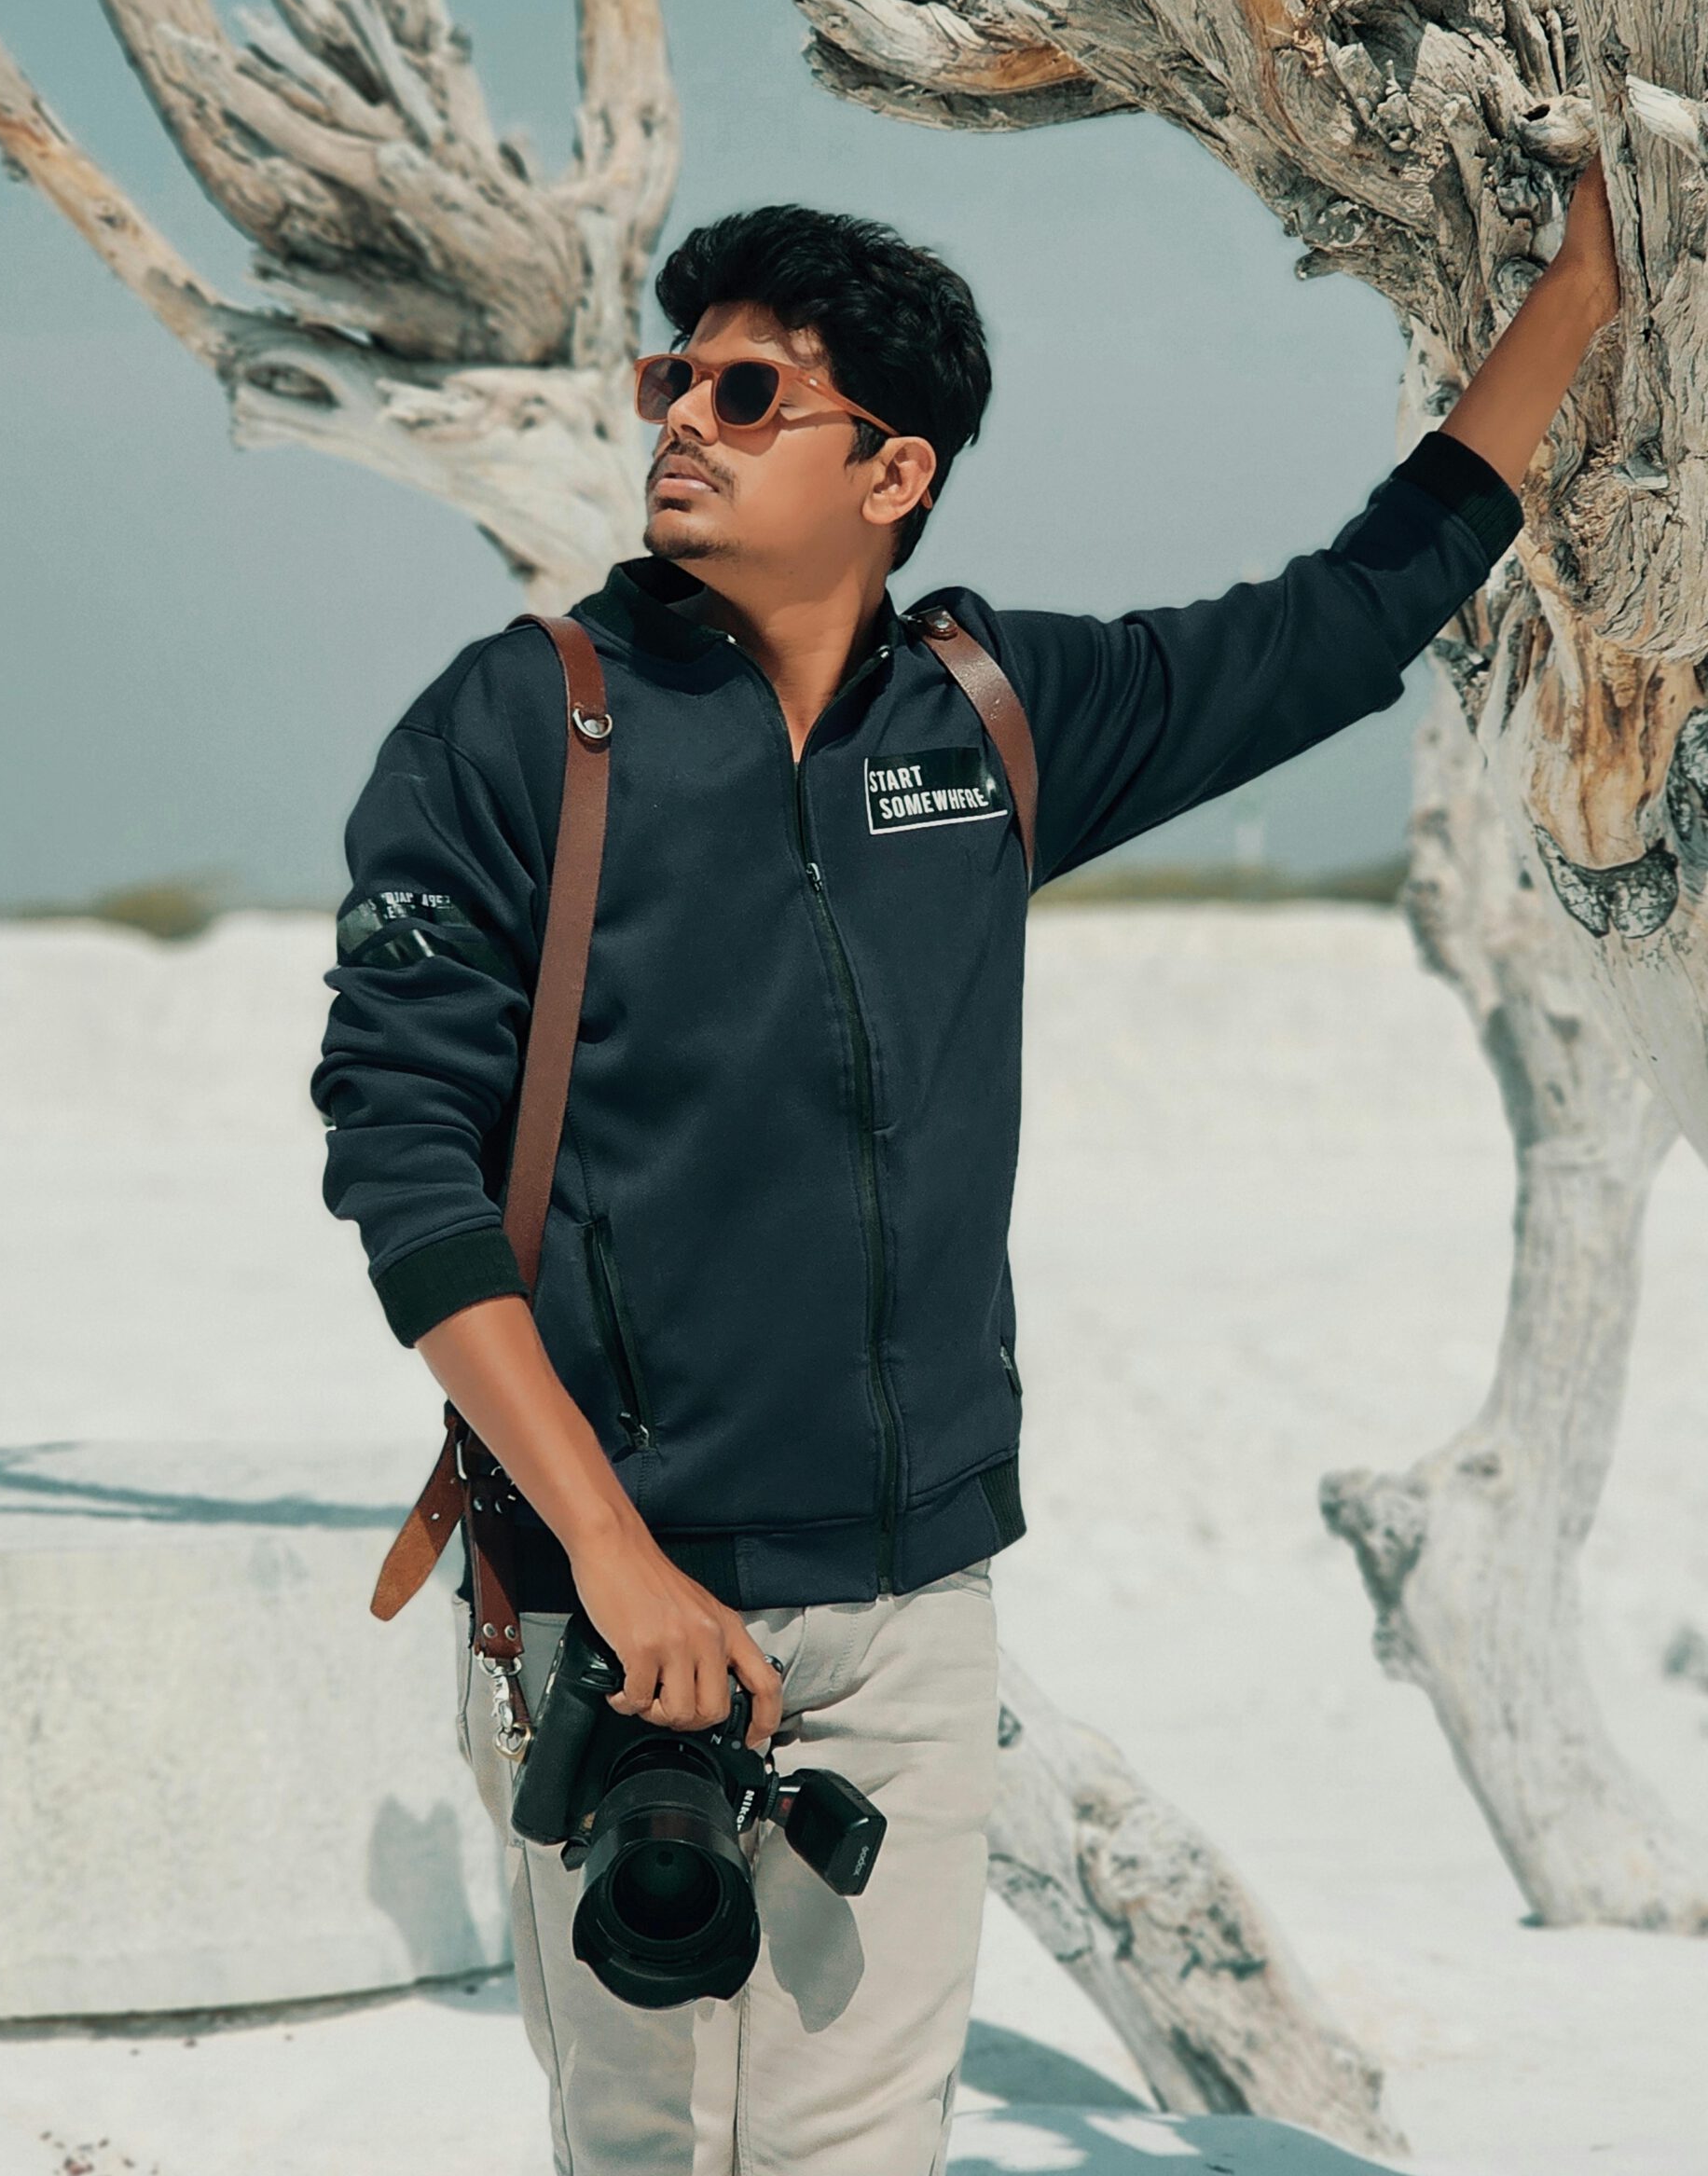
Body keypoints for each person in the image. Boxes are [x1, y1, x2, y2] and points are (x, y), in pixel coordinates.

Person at [310, 171, 1619, 2174]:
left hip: (910, 1609)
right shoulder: (519, 728)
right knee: (650, 2149)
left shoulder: (992, 721)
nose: (679, 416)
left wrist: (1582, 289)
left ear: (891, 467)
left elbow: (1346, 620)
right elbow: (408, 1183)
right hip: (605, 1598)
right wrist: (617, 1559)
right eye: (678, 375)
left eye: (748, 393)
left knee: (861, 2148)